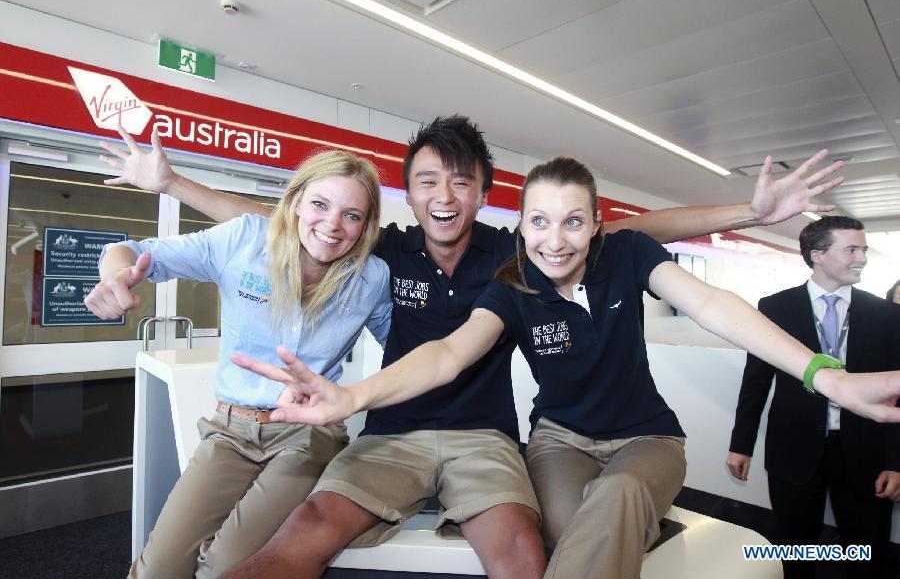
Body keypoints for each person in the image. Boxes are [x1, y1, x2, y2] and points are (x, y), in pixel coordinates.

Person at [101, 116, 848, 579]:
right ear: (411, 194)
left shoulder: (516, 251)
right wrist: (179, 185)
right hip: (389, 433)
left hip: (485, 438)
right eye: (428, 181)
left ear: (485, 192)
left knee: (526, 548)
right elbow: (284, 225)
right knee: (305, 534)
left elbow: (638, 230)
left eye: (461, 182)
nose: (445, 196)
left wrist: (745, 212)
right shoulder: (382, 252)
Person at [85, 142, 393, 578]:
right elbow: (132, 251)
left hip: (307, 436)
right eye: (320, 205)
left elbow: (405, 349)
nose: (332, 225)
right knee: (158, 570)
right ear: (296, 203)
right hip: (229, 430)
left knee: (229, 567)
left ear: (365, 226)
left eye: (352, 215)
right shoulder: (245, 239)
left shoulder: (371, 278)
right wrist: (116, 274)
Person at [726, 216, 900, 579]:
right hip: (794, 448)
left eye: (863, 250)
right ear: (817, 254)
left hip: (865, 451)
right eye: (851, 249)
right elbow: (756, 380)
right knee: (795, 545)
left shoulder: (886, 315)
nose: (862, 258)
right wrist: (740, 445)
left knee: (867, 551)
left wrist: (896, 462)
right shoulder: (776, 308)